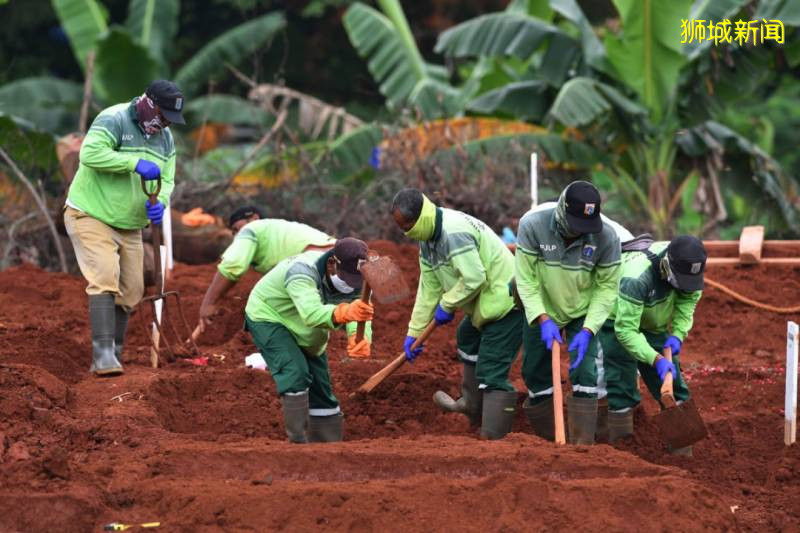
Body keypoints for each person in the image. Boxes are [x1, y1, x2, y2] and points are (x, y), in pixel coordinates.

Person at [64, 79, 185, 376]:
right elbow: (89, 154)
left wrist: (162, 202)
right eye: (164, 115)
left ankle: (115, 352)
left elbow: (167, 179)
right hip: (91, 214)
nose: (167, 123)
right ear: (149, 103)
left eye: (172, 118)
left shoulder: (166, 139)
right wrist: (134, 163)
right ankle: (103, 356)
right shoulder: (114, 118)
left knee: (132, 288)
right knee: (105, 275)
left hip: (129, 225)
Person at [392, 188, 522, 440]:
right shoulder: (428, 240)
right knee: (467, 337)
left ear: (422, 216)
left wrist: (448, 304)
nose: (406, 233)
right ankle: (472, 406)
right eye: (402, 229)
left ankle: (494, 435)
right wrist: (414, 332)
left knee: (491, 368)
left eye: (408, 226)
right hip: (484, 305)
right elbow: (428, 288)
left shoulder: (453, 233)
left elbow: (474, 278)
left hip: (508, 302)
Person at [514, 181, 621, 444]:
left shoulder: (607, 237)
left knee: (585, 372)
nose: (580, 232)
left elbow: (607, 289)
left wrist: (588, 329)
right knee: (535, 372)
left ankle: (583, 446)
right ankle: (548, 441)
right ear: (562, 211)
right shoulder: (532, 225)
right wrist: (542, 318)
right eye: (575, 224)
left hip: (581, 311)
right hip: (540, 303)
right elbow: (524, 280)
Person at [244, 237, 373, 443]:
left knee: (321, 387)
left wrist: (359, 337)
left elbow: (361, 311)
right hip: (269, 316)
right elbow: (311, 314)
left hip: (304, 325)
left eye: (356, 281)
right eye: (347, 278)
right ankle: (299, 444)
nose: (351, 285)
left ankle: (329, 444)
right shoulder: (301, 271)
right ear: (332, 263)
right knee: (295, 372)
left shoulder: (363, 277)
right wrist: (346, 311)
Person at [192, 208, 370, 355]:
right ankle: (357, 347)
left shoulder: (252, 229)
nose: (236, 235)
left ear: (253, 218)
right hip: (341, 264)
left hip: (317, 266)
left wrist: (208, 303)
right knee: (354, 308)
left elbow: (233, 265)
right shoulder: (281, 231)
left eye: (236, 229)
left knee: (306, 315)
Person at [597, 236, 706, 455]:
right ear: (667, 266)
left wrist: (677, 335)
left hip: (653, 324)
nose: (687, 287)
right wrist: (655, 358)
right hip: (619, 318)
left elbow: (687, 302)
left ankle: (683, 454)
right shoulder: (636, 277)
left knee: (673, 385)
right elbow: (626, 331)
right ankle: (624, 450)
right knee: (621, 382)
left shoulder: (690, 271)